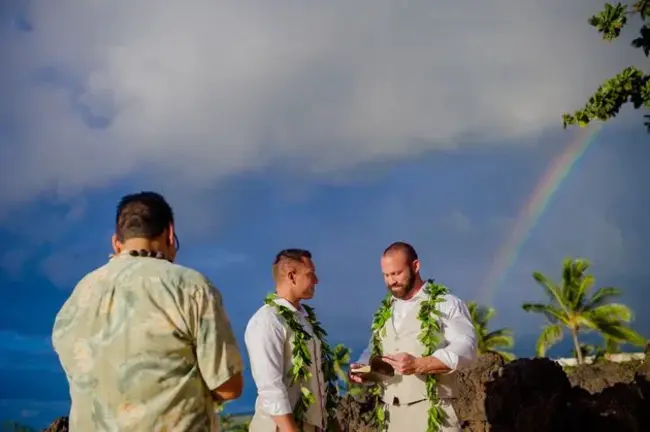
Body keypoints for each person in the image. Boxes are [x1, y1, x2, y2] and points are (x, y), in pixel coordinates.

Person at [52, 191, 244, 431]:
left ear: (116, 242)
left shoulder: (78, 296)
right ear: (170, 234)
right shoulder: (190, 287)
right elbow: (228, 386)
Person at [349, 242, 477, 432]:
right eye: (386, 275)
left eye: (397, 273)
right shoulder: (385, 311)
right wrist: (362, 367)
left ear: (415, 266)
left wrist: (419, 364)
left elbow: (466, 346)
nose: (391, 281)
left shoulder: (446, 303)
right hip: (391, 418)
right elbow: (373, 350)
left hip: (434, 415)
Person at [245, 249, 337, 432]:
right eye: (310, 274)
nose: (317, 280)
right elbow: (270, 387)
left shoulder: (305, 320)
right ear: (291, 276)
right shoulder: (267, 321)